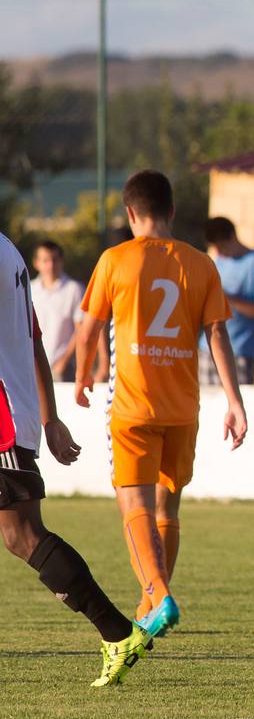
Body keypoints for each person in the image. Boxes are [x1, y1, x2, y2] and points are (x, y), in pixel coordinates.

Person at [72, 170, 250, 639]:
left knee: (134, 504)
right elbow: (217, 334)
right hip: (182, 410)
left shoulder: (115, 260)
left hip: (132, 408)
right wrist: (234, 400)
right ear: (171, 211)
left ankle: (160, 594)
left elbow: (88, 329)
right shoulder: (201, 264)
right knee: (168, 508)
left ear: (131, 213)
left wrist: (82, 374)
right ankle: (150, 602)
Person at [2, 229, 152, 687]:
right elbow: (33, 340)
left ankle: (118, 632)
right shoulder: (8, 249)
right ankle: (119, 632)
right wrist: (49, 418)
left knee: (22, 534)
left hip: (2, 416)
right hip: (17, 410)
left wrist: (46, 418)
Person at [199, 217, 254, 386]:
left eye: (222, 246)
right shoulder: (217, 261)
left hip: (239, 352)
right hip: (207, 349)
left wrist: (228, 299)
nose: (219, 251)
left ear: (232, 236)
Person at [29, 241, 85, 382]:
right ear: (36, 263)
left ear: (61, 261)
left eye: (55, 260)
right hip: (34, 368)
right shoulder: (29, 289)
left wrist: (64, 360)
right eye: (46, 260)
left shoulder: (74, 289)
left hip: (63, 370)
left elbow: (81, 329)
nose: (51, 265)